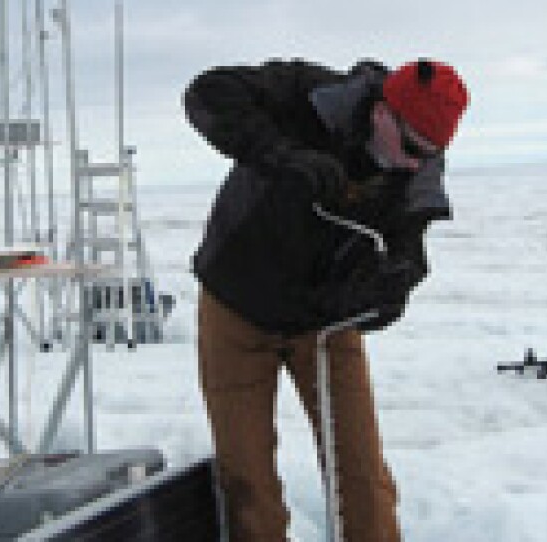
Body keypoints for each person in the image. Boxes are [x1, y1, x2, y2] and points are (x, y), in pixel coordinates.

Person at [183, 57, 468, 542]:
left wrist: (391, 288)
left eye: (430, 155)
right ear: (383, 112)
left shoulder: (417, 167)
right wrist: (281, 156)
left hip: (326, 323)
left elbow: (407, 248)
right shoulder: (308, 95)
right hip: (237, 304)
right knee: (248, 483)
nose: (414, 165)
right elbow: (206, 95)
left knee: (363, 478)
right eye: (412, 148)